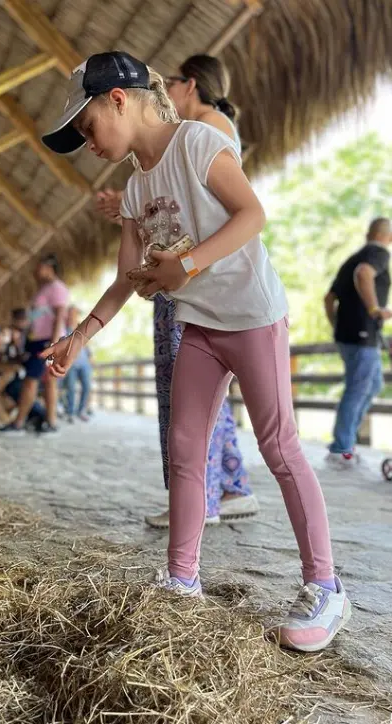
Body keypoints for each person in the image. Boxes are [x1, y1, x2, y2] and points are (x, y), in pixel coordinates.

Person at [39, 50, 350, 652]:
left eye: (87, 125)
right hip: (200, 327)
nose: (87, 141)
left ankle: (325, 585)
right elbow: (128, 279)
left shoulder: (199, 144)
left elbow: (252, 213)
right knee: (184, 451)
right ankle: (182, 581)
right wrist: (82, 335)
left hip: (253, 316)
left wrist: (185, 264)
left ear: (119, 100)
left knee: (280, 446)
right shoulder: (135, 191)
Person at [95, 54, 258, 527]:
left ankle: (198, 498)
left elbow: (230, 211)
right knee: (200, 397)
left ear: (190, 85)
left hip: (200, 282)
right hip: (184, 275)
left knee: (192, 397)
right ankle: (227, 488)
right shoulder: (183, 142)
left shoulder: (207, 131)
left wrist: (183, 262)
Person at [324, 218, 392, 467]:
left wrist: (337, 327)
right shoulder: (378, 254)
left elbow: (329, 298)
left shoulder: (351, 258)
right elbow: (364, 273)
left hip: (350, 336)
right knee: (359, 387)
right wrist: (375, 308)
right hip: (362, 335)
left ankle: (346, 442)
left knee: (373, 384)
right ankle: (341, 448)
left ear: (368, 233)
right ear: (389, 237)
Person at [0, 256, 69, 434]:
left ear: (49, 267)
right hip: (37, 341)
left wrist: (52, 345)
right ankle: (50, 423)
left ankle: (18, 423)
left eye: (39, 267)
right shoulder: (44, 289)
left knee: (31, 381)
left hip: (46, 342)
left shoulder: (57, 288)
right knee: (48, 382)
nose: (36, 271)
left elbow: (60, 317)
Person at [62, 305, 93, 422]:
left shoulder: (82, 328)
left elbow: (87, 346)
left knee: (86, 387)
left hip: (84, 363)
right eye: (70, 313)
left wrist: (90, 360)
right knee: (70, 388)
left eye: (74, 314)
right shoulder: (63, 329)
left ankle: (81, 411)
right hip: (71, 364)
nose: (72, 316)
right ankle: (70, 413)